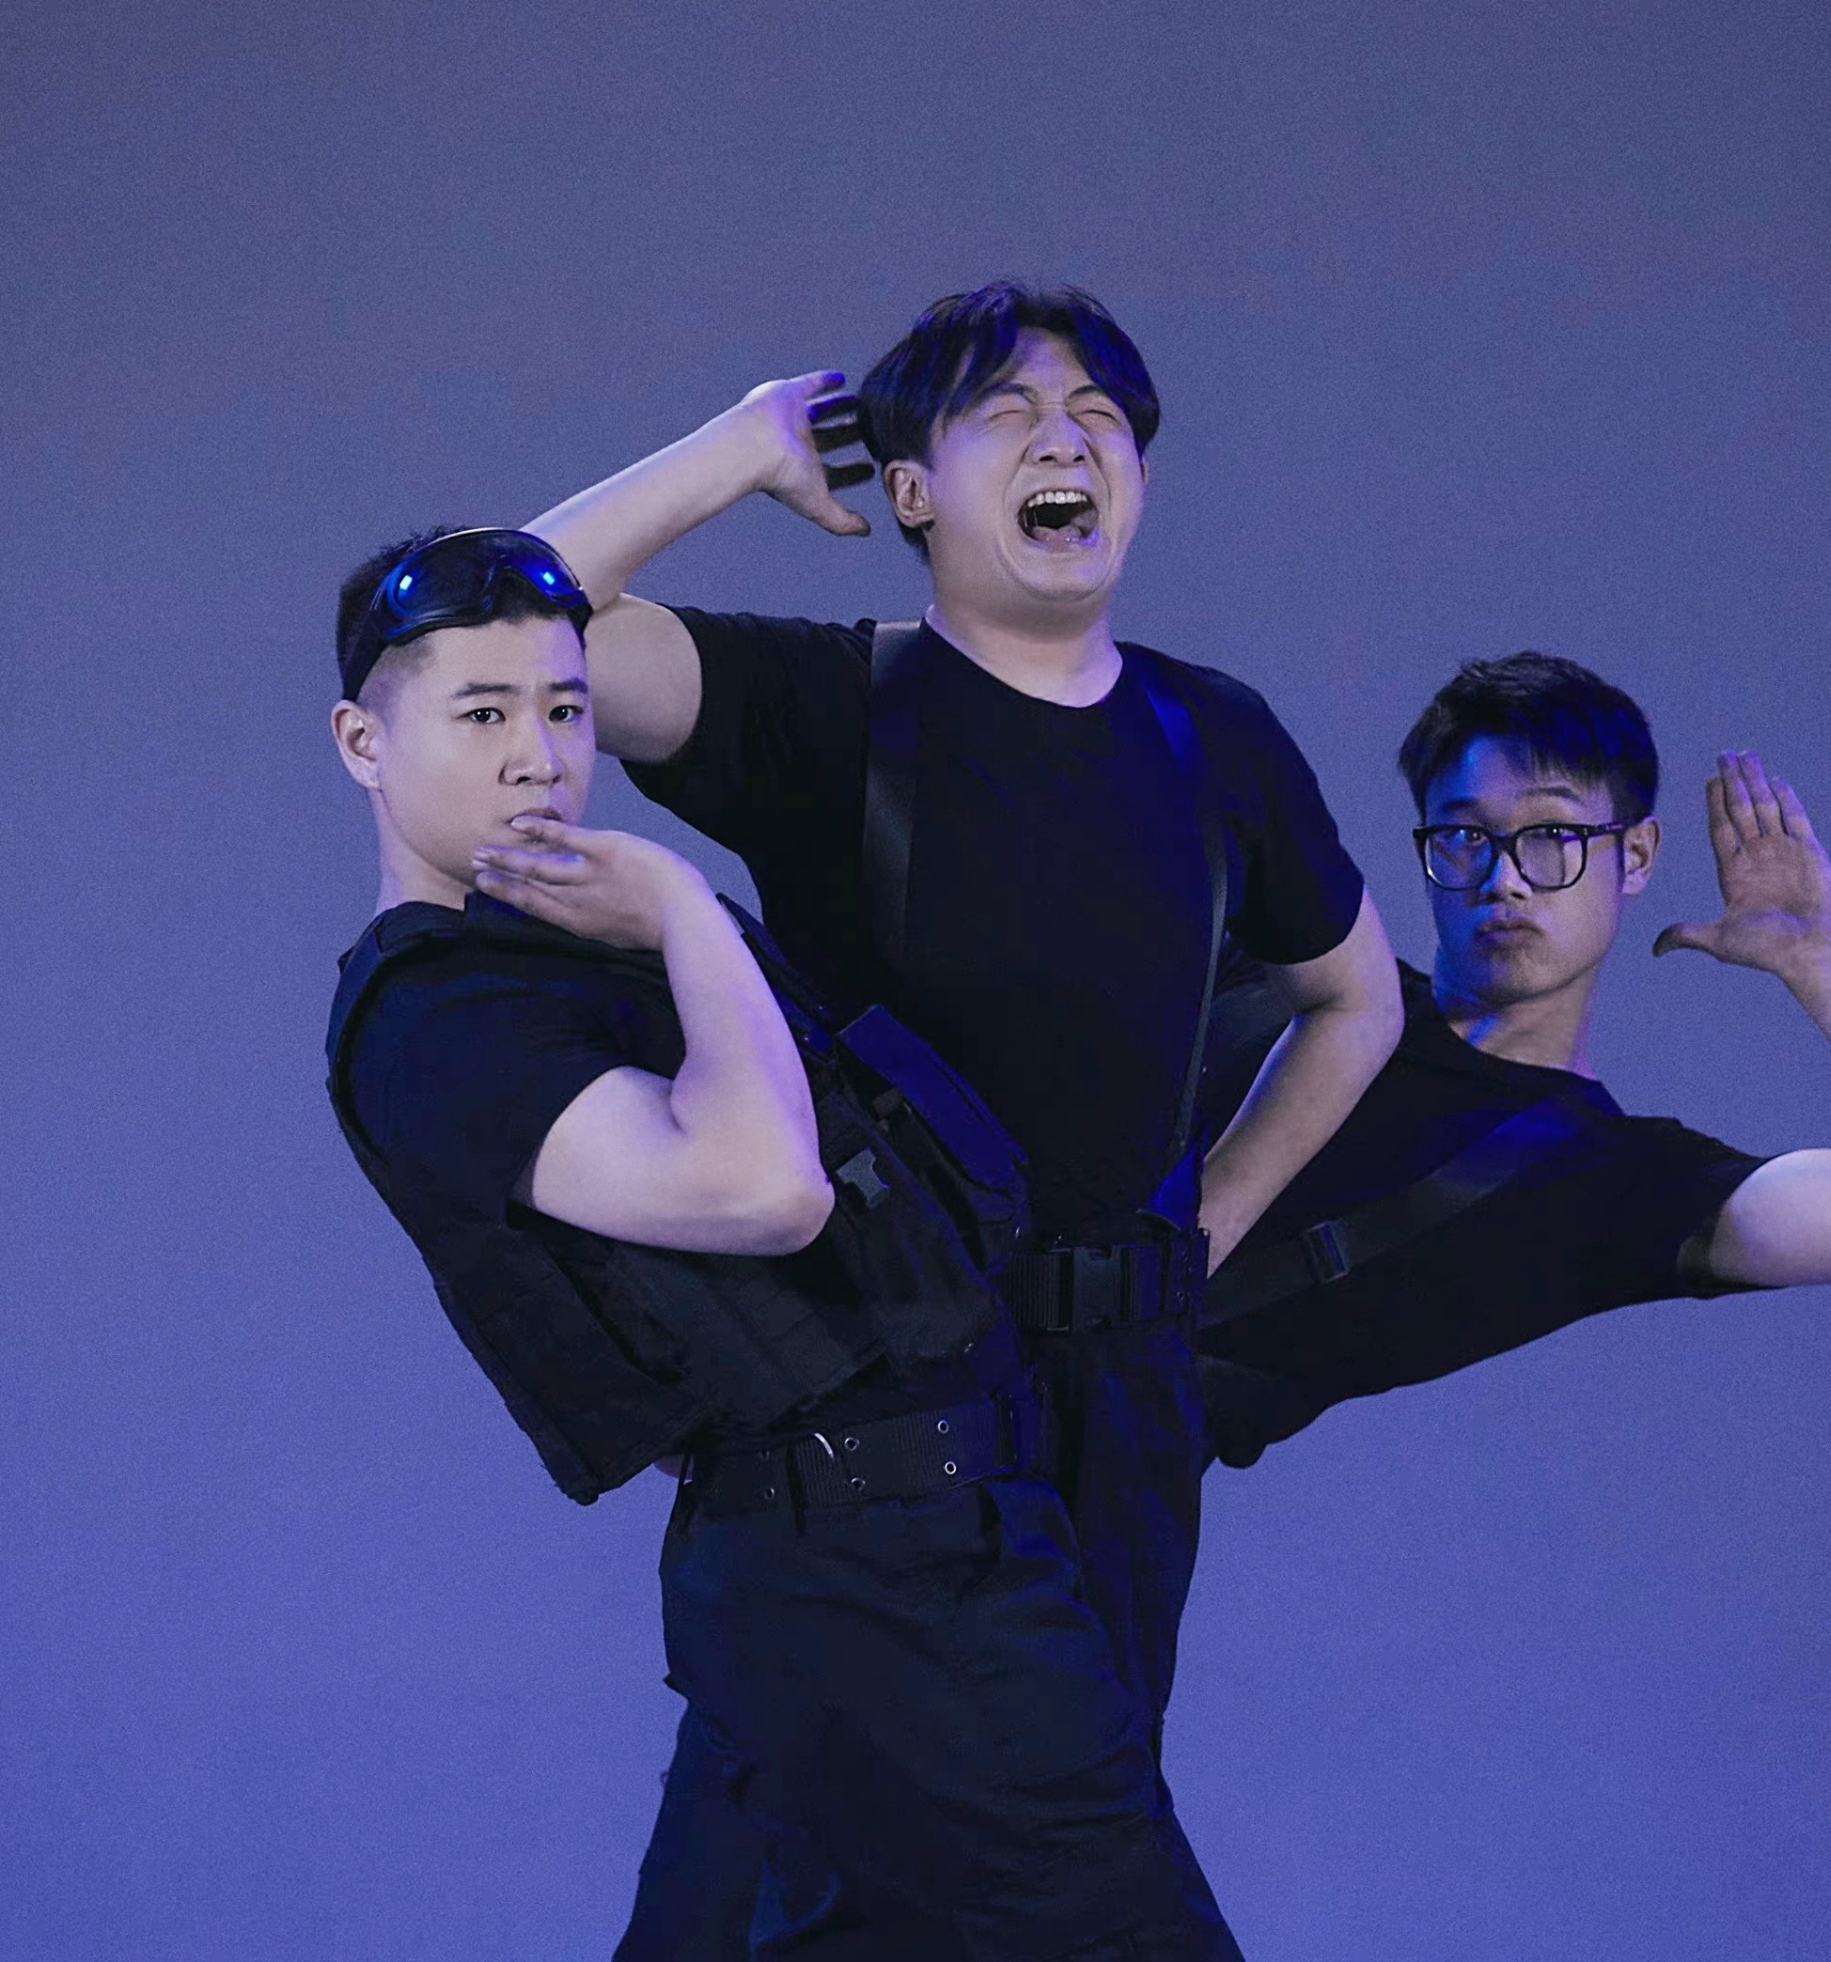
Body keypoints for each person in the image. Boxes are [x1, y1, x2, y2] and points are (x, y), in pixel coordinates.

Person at [506, 282, 1403, 1954]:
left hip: (1116, 1407)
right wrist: (733, 449)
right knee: (819, 1866)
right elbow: (499, 632)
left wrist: (1200, 1230)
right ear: (910, 486)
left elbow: (1357, 998)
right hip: (880, 1407)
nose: (1071, 440)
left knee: (1025, 1874)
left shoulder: (1215, 737)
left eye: (1102, 416)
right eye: (1012, 410)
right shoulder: (828, 704)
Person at [324, 526, 1275, 1958]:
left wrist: (751, 440)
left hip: (876, 1553)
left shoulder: (560, 947)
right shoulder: (440, 1019)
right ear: (364, 743)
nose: (540, 756)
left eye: (566, 709)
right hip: (884, 1582)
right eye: (483, 714)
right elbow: (767, 1191)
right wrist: (679, 904)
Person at [1196, 653, 1831, 1466]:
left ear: (1635, 856)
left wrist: (1816, 963)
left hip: (1129, 1493)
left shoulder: (1612, 1183)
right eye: (1465, 836)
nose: (1504, 879)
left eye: (1552, 835)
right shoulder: (1281, 988)